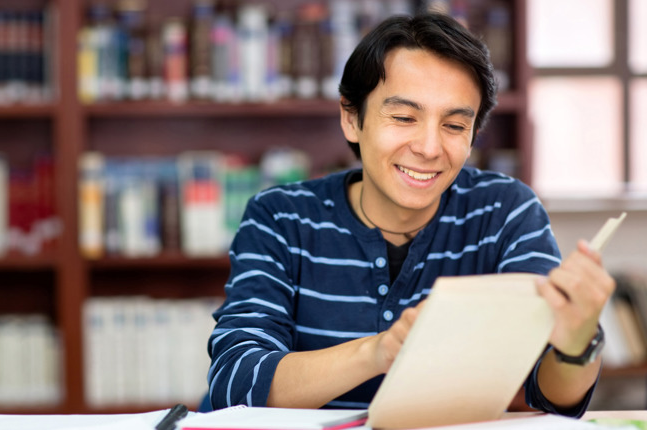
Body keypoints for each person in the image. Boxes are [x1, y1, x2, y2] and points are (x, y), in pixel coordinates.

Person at [206, 12, 615, 416]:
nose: (429, 148)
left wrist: (578, 345)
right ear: (352, 118)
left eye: (454, 125)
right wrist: (376, 352)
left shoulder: (505, 212)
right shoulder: (280, 217)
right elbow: (235, 380)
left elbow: (550, 396)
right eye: (404, 118)